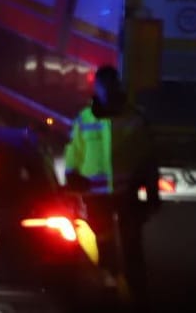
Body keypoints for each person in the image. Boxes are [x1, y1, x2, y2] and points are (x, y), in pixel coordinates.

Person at [64, 65, 157, 305]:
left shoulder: (135, 118)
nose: (106, 91)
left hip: (126, 193)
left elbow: (148, 156)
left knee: (131, 243)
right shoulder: (84, 118)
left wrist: (152, 189)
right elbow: (74, 151)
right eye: (102, 86)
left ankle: (137, 292)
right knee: (103, 241)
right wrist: (71, 177)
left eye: (110, 85)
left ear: (117, 86)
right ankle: (110, 285)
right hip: (96, 195)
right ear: (97, 88)